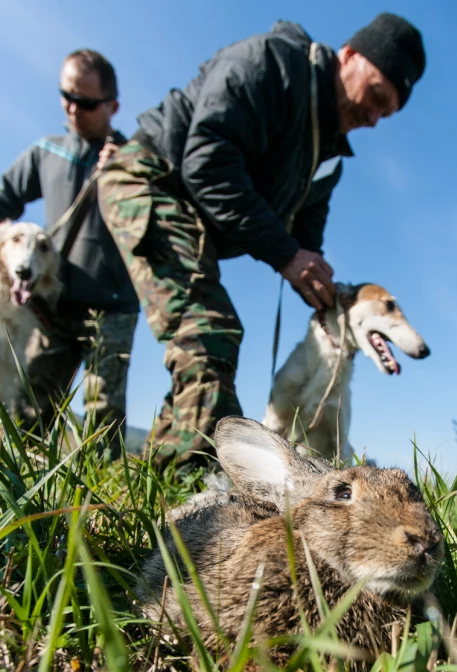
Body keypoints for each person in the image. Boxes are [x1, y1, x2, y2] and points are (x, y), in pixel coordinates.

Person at [99, 13, 425, 474]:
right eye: (375, 98)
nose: (373, 119)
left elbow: (304, 245)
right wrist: (287, 256)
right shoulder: (272, 64)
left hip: (198, 215)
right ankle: (192, 496)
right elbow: (207, 161)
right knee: (208, 329)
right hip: (151, 179)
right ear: (349, 56)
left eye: (385, 114)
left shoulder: (328, 163)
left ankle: (162, 477)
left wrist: (322, 289)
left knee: (212, 333)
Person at [0, 49, 139, 459]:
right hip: (49, 308)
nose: (73, 109)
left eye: (87, 102)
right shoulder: (47, 152)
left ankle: (105, 509)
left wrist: (128, 172)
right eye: (67, 96)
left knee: (104, 414)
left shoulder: (133, 157)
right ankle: (26, 503)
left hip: (113, 307)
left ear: (113, 106)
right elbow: (4, 199)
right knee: (30, 407)